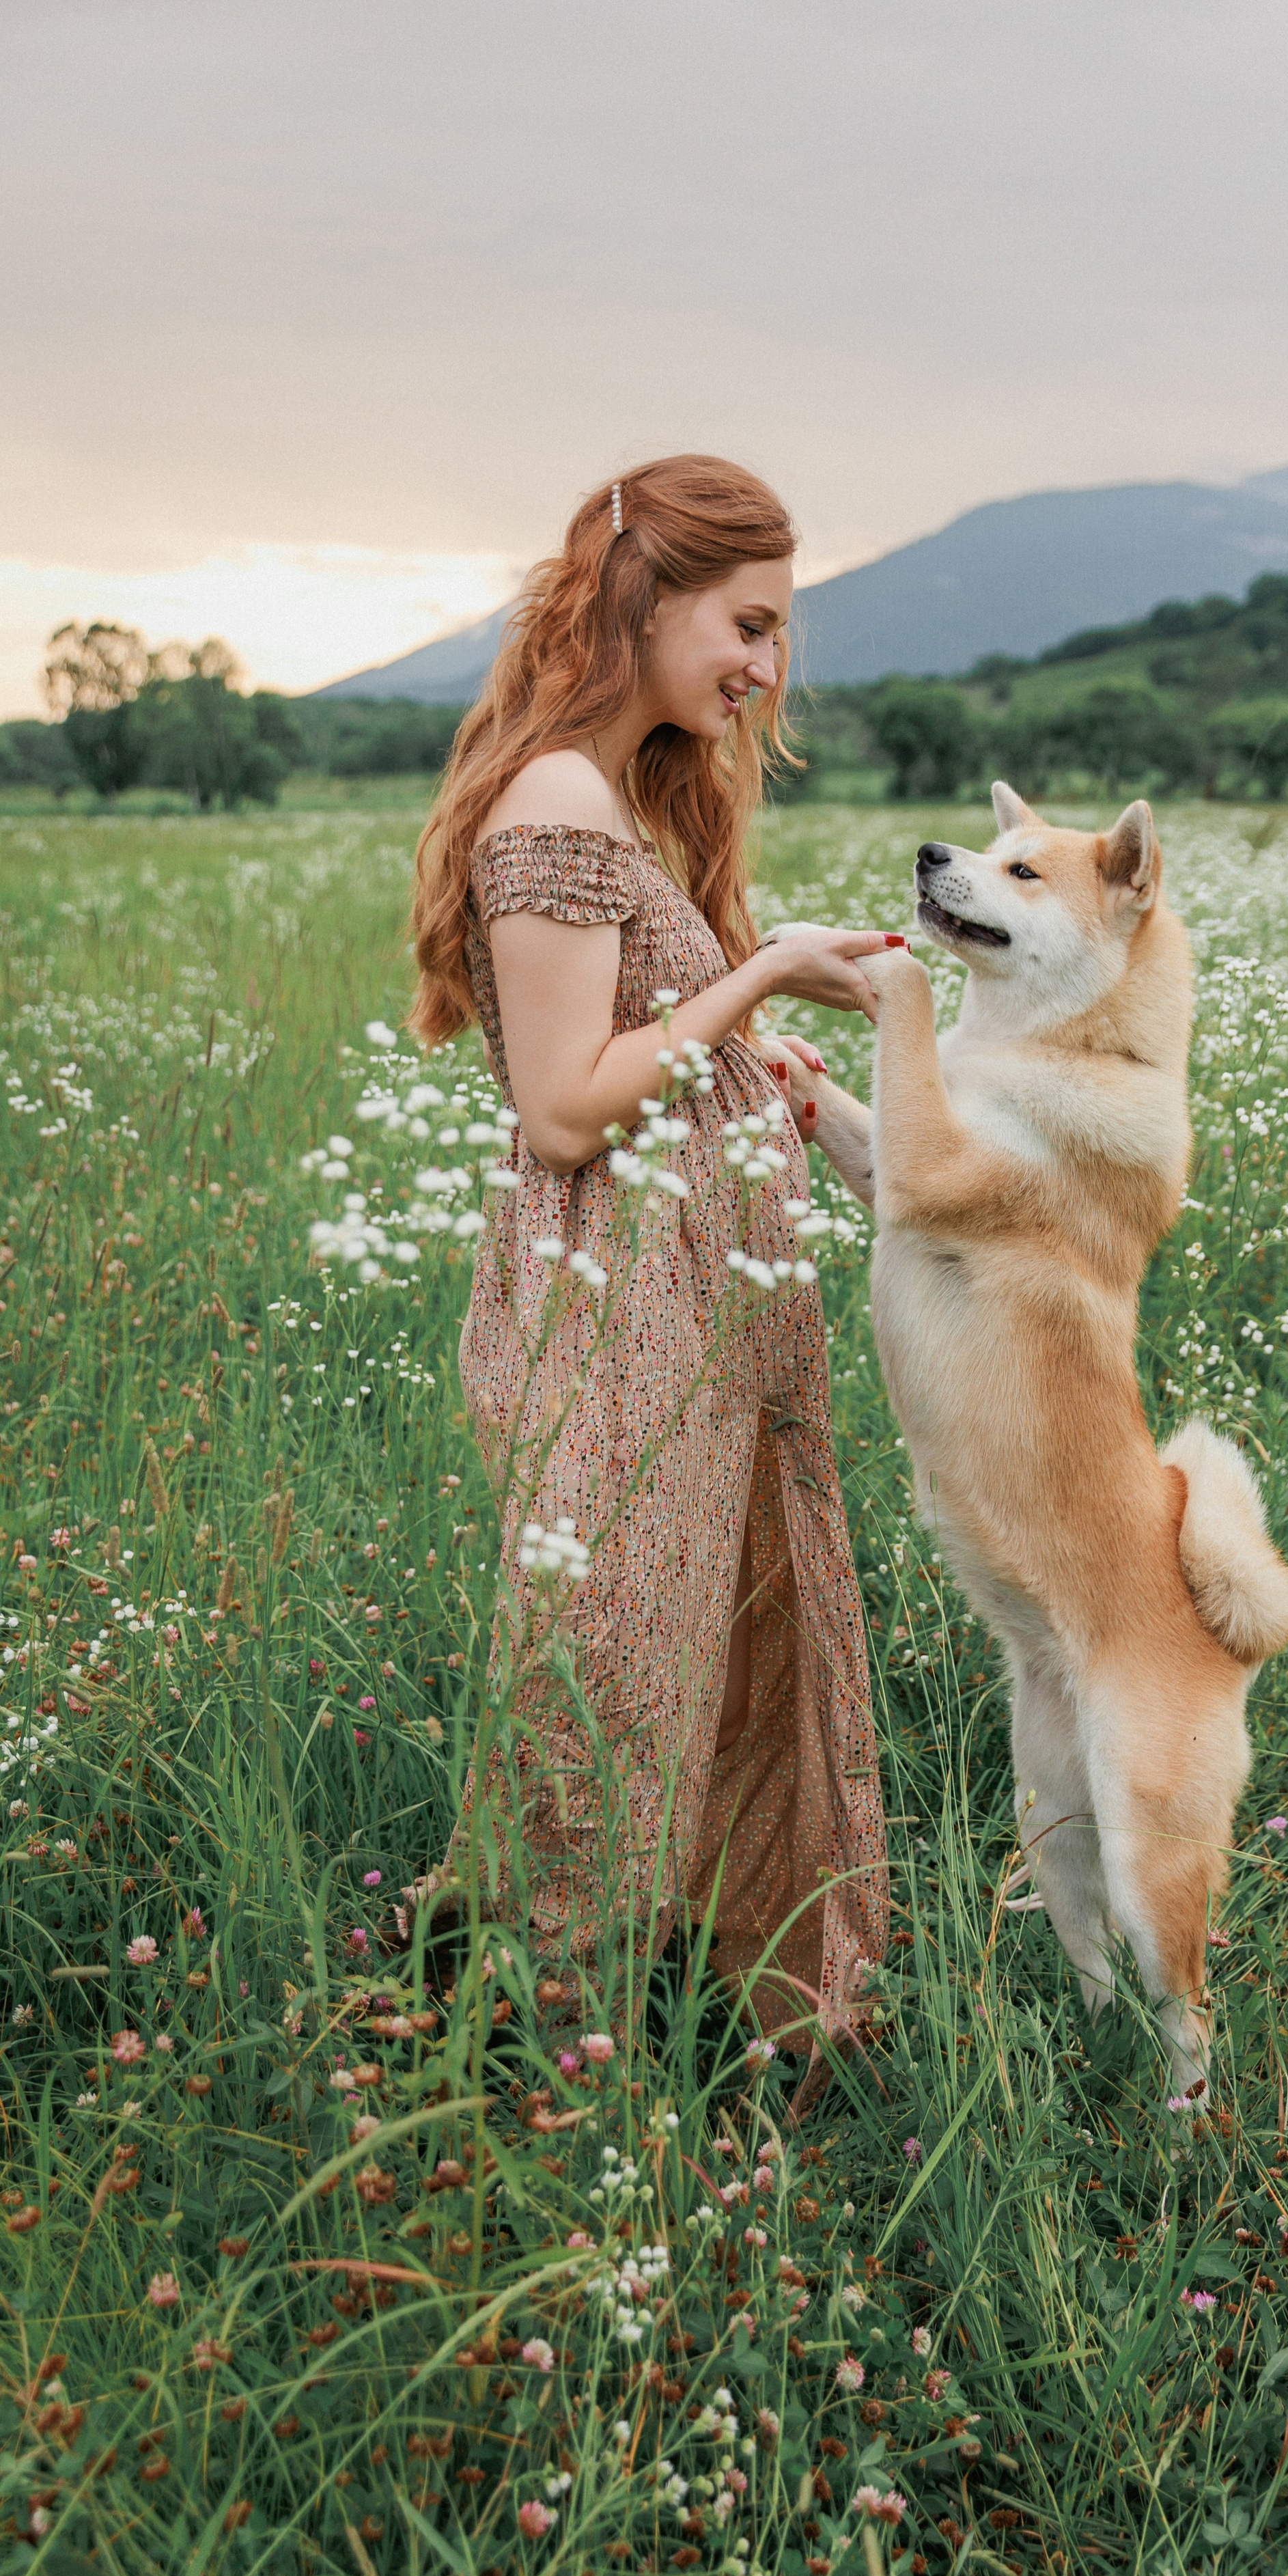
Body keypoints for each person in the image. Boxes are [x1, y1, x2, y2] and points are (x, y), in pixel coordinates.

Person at [407, 454, 897, 2099]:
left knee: (716, 1649)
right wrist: (762, 973)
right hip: (613, 1309)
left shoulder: (615, 797)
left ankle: (680, 2015)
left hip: (694, 1302)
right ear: (646, 595)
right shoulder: (556, 799)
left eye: (777, 633)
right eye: (747, 623)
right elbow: (564, 1107)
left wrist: (770, 1062)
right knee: (605, 1672)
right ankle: (535, 2056)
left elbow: (653, 1049)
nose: (765, 665)